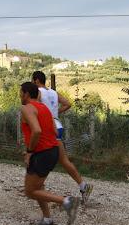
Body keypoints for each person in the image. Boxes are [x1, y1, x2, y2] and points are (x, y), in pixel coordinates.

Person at [20, 82, 81, 225]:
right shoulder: (45, 108)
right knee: (39, 186)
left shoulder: (26, 108)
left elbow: (36, 131)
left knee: (30, 191)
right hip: (52, 150)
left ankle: (67, 202)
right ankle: (47, 219)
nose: (20, 95)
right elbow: (54, 130)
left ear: (27, 94)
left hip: (41, 153)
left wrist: (29, 152)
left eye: (21, 92)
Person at [32, 71, 93, 204]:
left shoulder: (37, 91)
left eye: (32, 81)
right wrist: (55, 113)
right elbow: (68, 103)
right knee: (64, 161)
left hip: (47, 128)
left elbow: (35, 109)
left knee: (42, 158)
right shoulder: (53, 92)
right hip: (57, 126)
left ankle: (36, 188)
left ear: (36, 81)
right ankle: (84, 186)